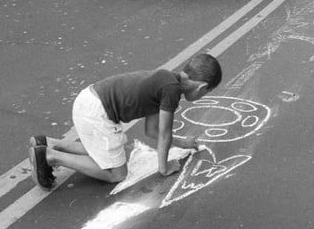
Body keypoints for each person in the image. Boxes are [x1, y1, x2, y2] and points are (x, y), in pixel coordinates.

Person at [28, 53, 222, 190]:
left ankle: (50, 143)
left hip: (89, 101)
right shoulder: (171, 93)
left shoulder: (166, 80)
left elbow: (152, 131)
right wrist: (164, 168)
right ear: (202, 87)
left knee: (101, 151)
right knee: (117, 173)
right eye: (207, 92)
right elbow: (163, 133)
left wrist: (183, 143)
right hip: (98, 113)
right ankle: (51, 156)